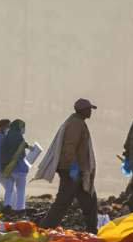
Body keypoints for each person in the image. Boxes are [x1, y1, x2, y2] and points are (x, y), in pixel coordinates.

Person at [36, 99, 98, 232]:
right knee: (63, 202)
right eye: (89, 109)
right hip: (71, 170)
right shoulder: (76, 124)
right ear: (83, 110)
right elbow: (70, 146)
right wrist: (72, 167)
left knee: (90, 201)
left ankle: (93, 230)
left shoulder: (77, 122)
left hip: (77, 170)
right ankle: (44, 229)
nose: (90, 112)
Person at [1, 119, 30, 212]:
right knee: (20, 190)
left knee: (8, 190)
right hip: (20, 169)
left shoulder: (7, 137)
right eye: (23, 127)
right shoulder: (20, 138)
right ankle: (20, 208)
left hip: (9, 168)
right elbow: (22, 154)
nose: (24, 129)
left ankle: (7, 206)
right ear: (20, 128)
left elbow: (4, 152)